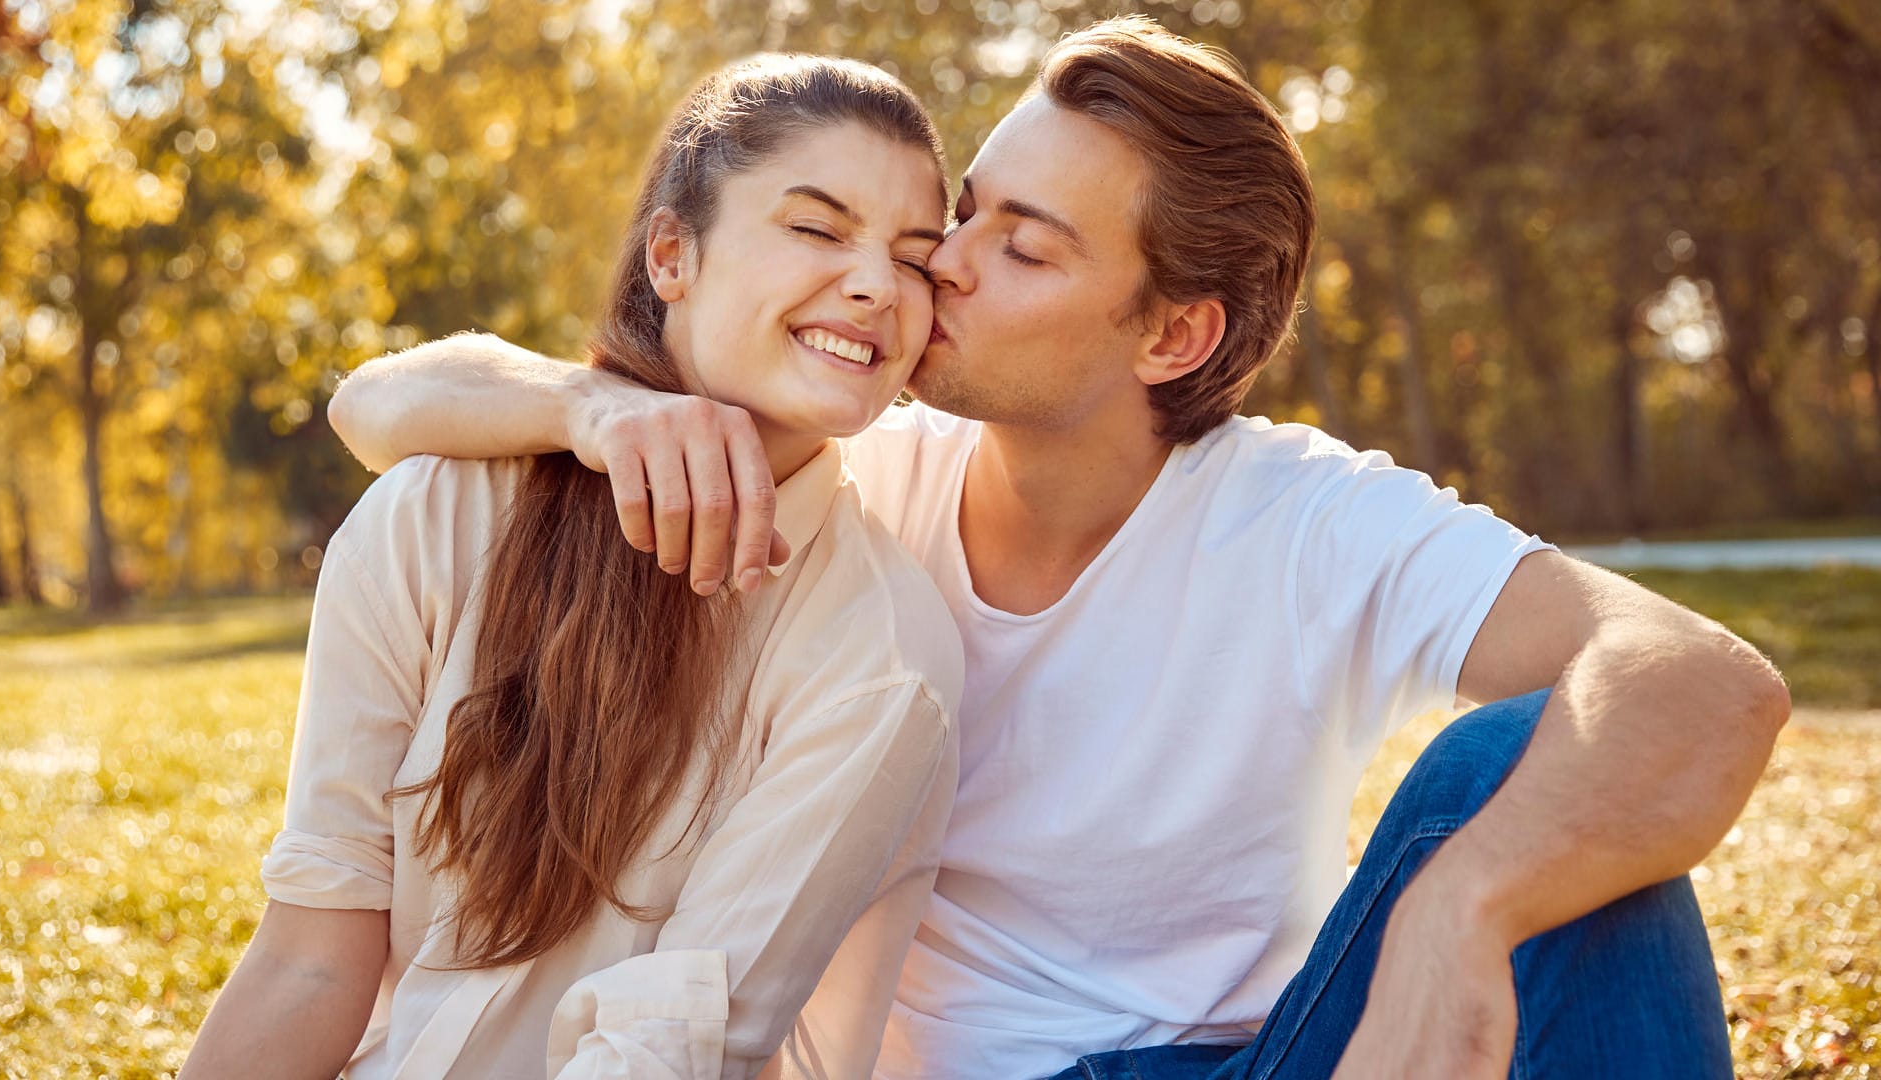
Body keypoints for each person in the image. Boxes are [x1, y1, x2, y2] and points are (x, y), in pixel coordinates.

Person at [327, 17, 1790, 1080]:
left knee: (1527, 791)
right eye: (966, 212)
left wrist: (1461, 918)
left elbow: (1700, 681)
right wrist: (588, 406)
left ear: (1173, 333)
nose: (937, 264)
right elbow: (381, 400)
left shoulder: (1306, 518)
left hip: (1237, 1064)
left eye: (1021, 246)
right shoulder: (856, 460)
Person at [180, 55, 966, 1080]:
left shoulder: (882, 661)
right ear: (672, 257)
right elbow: (310, 963)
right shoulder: (439, 516)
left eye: (914, 257)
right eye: (817, 228)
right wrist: (582, 408)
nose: (874, 284)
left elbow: (664, 1056)